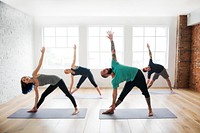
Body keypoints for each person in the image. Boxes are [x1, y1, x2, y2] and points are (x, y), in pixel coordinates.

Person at [100, 31, 153, 116]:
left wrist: (111, 40)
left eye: (104, 69)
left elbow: (113, 52)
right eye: (104, 71)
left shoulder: (114, 64)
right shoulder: (114, 81)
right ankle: (112, 109)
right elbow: (114, 93)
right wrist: (113, 103)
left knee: (145, 92)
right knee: (122, 95)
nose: (106, 69)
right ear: (106, 75)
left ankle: (150, 109)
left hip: (138, 74)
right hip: (130, 80)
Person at [20, 47, 79, 115]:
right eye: (24, 80)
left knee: (67, 94)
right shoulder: (35, 86)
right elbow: (37, 97)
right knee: (43, 95)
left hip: (57, 80)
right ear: (26, 83)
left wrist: (42, 53)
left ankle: (76, 108)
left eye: (25, 77)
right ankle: (35, 108)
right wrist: (35, 105)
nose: (25, 78)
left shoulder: (34, 74)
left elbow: (40, 64)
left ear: (27, 76)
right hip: (53, 83)